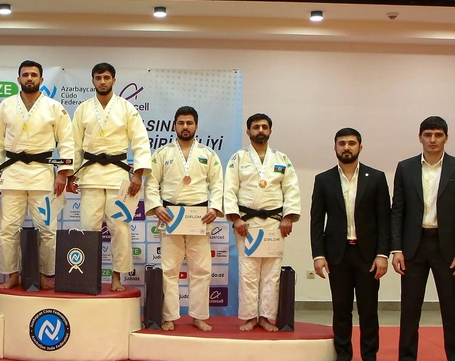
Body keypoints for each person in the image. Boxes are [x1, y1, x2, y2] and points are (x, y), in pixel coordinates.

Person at [389, 116, 455, 361]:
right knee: (409, 307)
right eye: (428, 135)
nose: (433, 139)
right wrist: (396, 248)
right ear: (420, 137)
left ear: (446, 137)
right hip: (413, 246)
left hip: (448, 248)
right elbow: (397, 210)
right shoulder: (405, 168)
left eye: (438, 135)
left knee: (452, 309)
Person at [310, 128, 390, 361]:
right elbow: (317, 220)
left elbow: (384, 219)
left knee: (369, 309)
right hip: (338, 254)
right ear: (335, 147)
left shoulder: (376, 178)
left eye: (352, 143)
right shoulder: (323, 180)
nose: (347, 147)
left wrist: (382, 254)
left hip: (368, 255)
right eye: (342, 143)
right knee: (341, 308)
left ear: (360, 147)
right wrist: (318, 255)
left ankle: (370, 357)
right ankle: (343, 355)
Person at [0, 61, 74, 290]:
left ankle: (46, 274)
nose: (29, 78)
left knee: (47, 229)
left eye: (34, 75)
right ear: (18, 79)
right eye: (25, 74)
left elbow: (67, 141)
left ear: (41, 80)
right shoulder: (6, 105)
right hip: (12, 173)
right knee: (7, 229)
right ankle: (12, 274)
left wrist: (63, 174)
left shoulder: (54, 107)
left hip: (42, 174)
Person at [69, 63, 152, 291]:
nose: (102, 81)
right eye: (98, 77)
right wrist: (71, 175)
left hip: (118, 175)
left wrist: (138, 174)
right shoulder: (83, 109)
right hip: (90, 174)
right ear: (93, 81)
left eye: (106, 77)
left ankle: (117, 277)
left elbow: (140, 141)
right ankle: (88, 275)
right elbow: (74, 145)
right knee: (88, 228)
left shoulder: (126, 108)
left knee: (120, 228)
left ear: (114, 80)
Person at [146, 106, 223, 331]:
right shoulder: (162, 154)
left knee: (201, 270)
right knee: (169, 269)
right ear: (174, 125)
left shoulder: (208, 154)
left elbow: (218, 184)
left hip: (199, 218)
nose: (185, 127)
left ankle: (198, 316)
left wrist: (215, 208)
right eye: (181, 123)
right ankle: (169, 316)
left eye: (189, 123)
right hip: (171, 216)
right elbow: (151, 183)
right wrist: (156, 206)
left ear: (196, 126)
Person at [223, 113, 301, 332]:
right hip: (246, 224)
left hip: (275, 224)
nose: (260, 130)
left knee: (271, 273)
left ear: (270, 131)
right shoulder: (238, 158)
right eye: (256, 127)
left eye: (264, 127)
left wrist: (288, 217)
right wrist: (235, 218)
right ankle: (250, 316)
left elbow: (291, 189)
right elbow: (229, 189)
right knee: (247, 272)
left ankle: (266, 317)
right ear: (248, 131)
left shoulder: (282, 159)